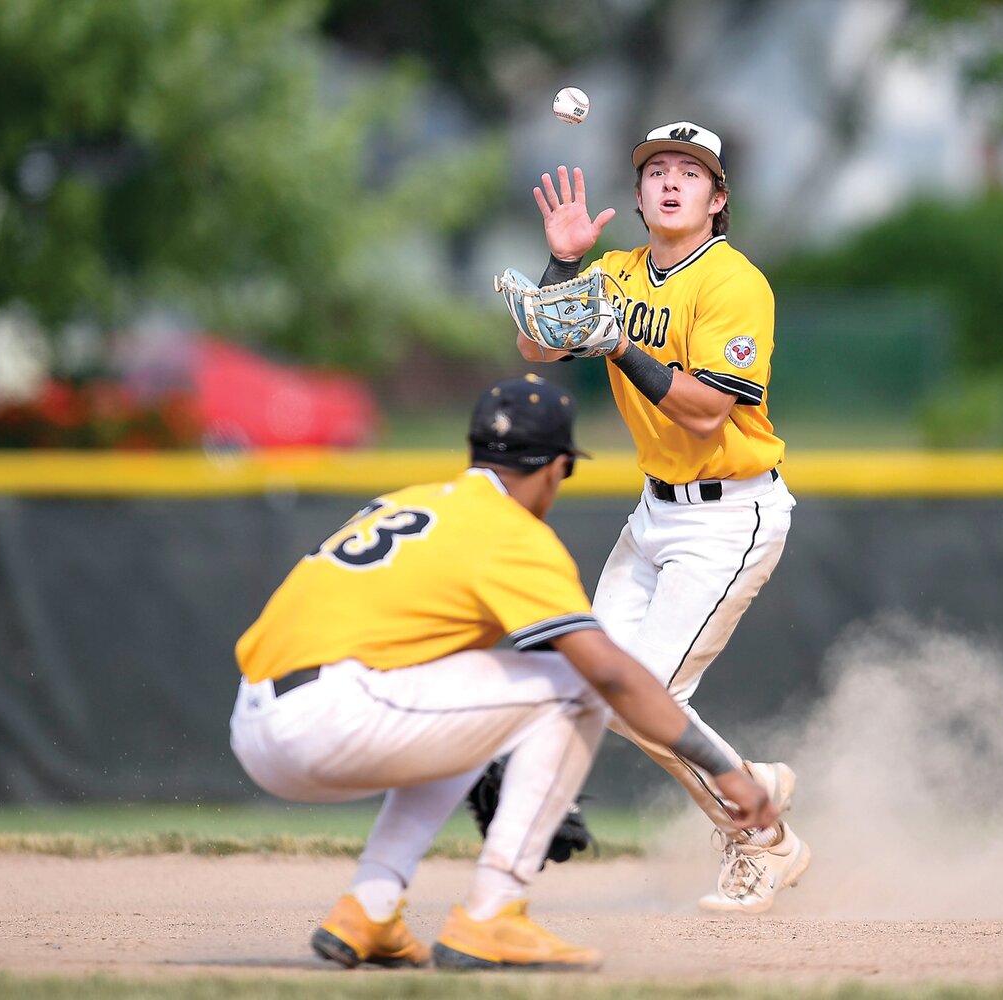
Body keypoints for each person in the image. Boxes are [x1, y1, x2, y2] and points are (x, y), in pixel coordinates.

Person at [228, 373, 776, 973]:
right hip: (330, 720)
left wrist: (507, 747)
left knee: (499, 695)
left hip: (256, 722)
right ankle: (494, 914)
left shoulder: (410, 501)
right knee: (579, 688)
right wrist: (725, 771)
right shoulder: (512, 533)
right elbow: (611, 676)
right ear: (556, 467)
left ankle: (370, 908)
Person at [511, 121, 809, 912]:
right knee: (606, 692)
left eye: (691, 172)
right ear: (640, 196)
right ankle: (755, 797)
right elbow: (535, 346)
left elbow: (708, 411)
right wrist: (565, 263)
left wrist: (616, 346)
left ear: (718, 200)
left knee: (649, 698)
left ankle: (763, 838)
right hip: (654, 514)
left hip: (729, 516)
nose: (671, 182)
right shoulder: (615, 272)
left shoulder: (732, 282)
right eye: (656, 171)